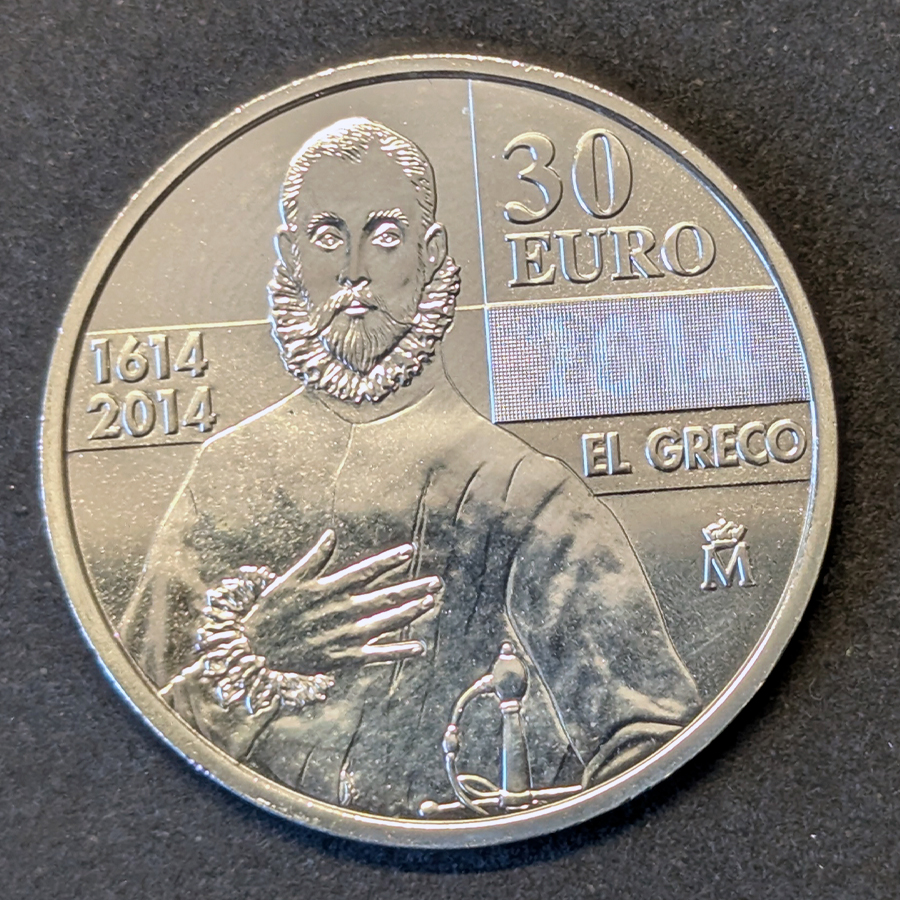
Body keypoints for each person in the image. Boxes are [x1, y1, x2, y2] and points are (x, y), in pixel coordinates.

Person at [121, 117, 701, 818]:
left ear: (431, 254)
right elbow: (131, 734)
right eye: (327, 237)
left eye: (385, 235)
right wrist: (254, 654)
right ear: (290, 256)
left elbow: (652, 745)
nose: (354, 269)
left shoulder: (527, 496)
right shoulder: (225, 474)